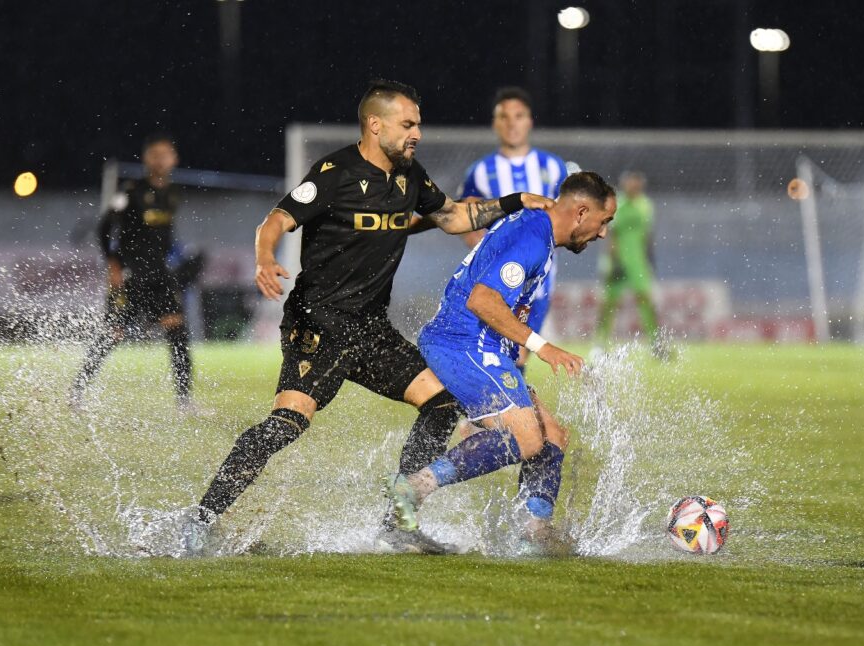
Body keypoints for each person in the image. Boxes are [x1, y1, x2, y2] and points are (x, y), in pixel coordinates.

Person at [183, 79, 553, 555]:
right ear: (375, 125)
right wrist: (263, 258)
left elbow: (455, 218)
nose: (417, 132)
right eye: (408, 124)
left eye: (418, 124)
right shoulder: (335, 172)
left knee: (442, 406)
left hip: (372, 329)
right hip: (319, 326)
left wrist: (512, 202)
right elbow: (275, 219)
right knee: (287, 424)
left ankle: (397, 521)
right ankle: (202, 518)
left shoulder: (410, 177)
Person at [386, 171, 617, 556]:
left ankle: (533, 531)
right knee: (526, 439)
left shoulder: (538, 230)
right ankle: (414, 488)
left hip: (482, 346)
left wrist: (516, 341)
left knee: (553, 435)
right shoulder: (532, 237)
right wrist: (543, 346)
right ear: (580, 213)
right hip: (461, 344)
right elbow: (482, 300)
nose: (603, 233)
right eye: (603, 221)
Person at [70, 134, 204, 414]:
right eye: (155, 154)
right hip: (131, 273)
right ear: (146, 160)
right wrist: (114, 266)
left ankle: (184, 402)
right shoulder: (130, 191)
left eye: (165, 154)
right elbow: (104, 228)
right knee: (113, 333)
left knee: (177, 330)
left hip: (158, 275)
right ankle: (77, 393)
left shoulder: (172, 193)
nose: (160, 160)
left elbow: (164, 236)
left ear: (174, 159)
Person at [459, 87, 569, 373]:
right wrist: (485, 254)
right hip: (496, 281)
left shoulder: (554, 167)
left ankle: (488, 415)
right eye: (504, 117)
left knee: (517, 353)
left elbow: (568, 218)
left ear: (530, 121)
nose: (512, 123)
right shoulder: (480, 171)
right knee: (503, 354)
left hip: (540, 285)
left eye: (518, 116)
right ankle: (493, 415)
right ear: (495, 123)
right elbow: (466, 218)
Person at [595, 171, 662, 355]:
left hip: (638, 262)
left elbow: (647, 235)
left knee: (646, 300)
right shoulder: (618, 204)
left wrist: (650, 259)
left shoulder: (646, 205)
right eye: (631, 182)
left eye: (637, 182)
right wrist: (612, 261)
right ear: (625, 183)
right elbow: (611, 234)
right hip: (618, 261)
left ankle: (656, 342)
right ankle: (600, 342)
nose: (634, 185)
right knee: (609, 302)